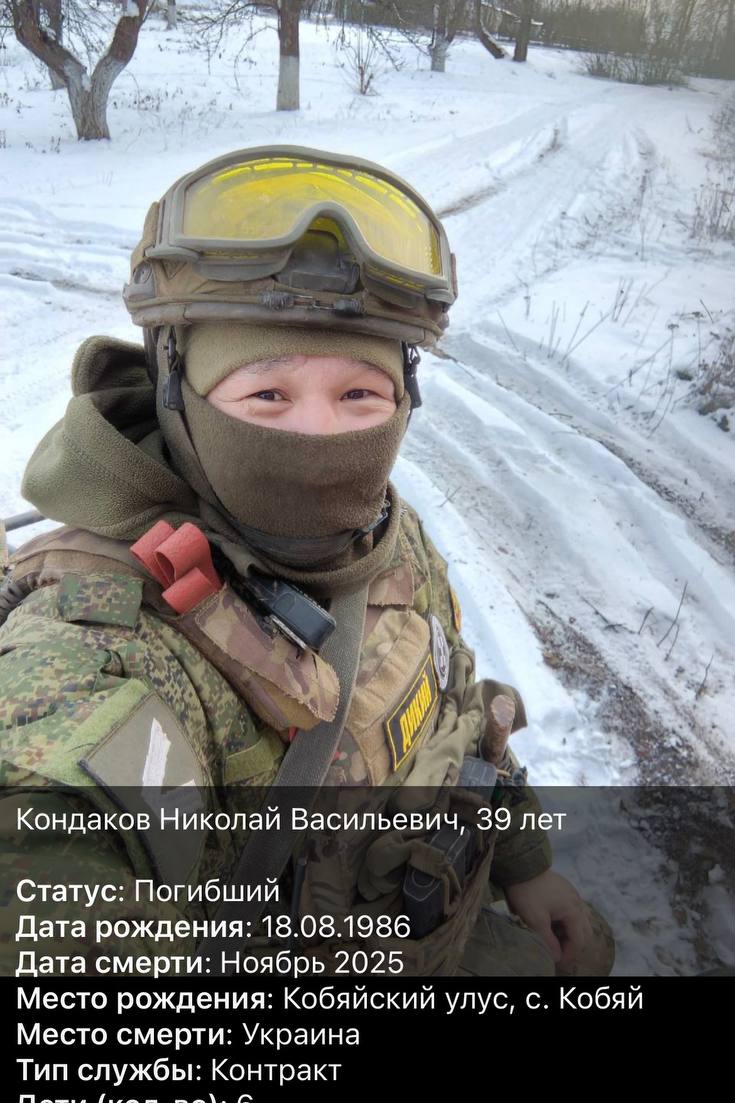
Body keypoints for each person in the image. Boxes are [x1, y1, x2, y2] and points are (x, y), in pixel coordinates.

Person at [0, 146, 613, 978]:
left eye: (359, 394)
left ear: (403, 398)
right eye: (266, 395)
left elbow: (457, 701)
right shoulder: (102, 643)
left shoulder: (386, 533)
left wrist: (526, 863)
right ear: (179, 395)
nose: (321, 438)